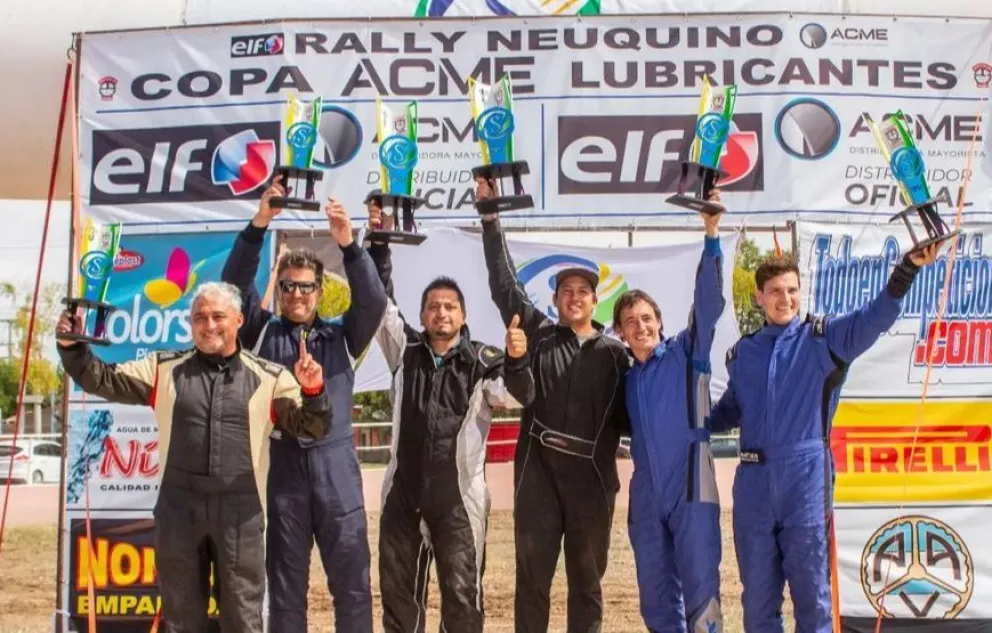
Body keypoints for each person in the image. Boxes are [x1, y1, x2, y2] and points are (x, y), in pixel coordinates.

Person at [56, 282, 330, 633]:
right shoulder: (163, 368)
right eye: (199, 317)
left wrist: (314, 390)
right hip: (178, 510)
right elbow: (102, 379)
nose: (209, 324)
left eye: (218, 316)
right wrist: (72, 348)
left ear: (239, 320)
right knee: (182, 620)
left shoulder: (271, 377)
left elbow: (312, 427)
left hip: (241, 514)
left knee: (242, 620)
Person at [708, 243, 941, 632]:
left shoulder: (825, 339)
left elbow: (874, 317)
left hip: (804, 481)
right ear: (759, 296)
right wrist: (683, 423)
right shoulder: (743, 353)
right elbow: (729, 410)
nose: (786, 298)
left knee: (812, 596)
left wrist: (907, 270)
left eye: (792, 290)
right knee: (757, 601)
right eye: (777, 291)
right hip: (752, 486)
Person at [220, 175, 385, 633]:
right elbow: (234, 286)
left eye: (305, 287)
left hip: (337, 469)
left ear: (318, 291)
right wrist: (259, 223)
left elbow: (372, 300)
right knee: (287, 590)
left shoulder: (343, 336)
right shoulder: (262, 331)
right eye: (288, 286)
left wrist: (350, 246)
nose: (296, 294)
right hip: (284, 469)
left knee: (352, 585)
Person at [366, 201, 535, 633]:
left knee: (462, 606)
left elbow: (517, 396)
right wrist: (378, 241)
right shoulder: (405, 350)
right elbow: (380, 301)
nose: (441, 312)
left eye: (450, 306)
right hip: (401, 497)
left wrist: (517, 358)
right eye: (433, 306)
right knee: (401, 607)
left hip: (460, 500)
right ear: (422, 315)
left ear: (462, 315)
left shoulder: (483, 360)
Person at [476, 177, 630, 633]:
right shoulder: (539, 334)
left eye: (583, 291)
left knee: (587, 585)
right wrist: (490, 220)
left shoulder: (615, 354)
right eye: (566, 290)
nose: (575, 297)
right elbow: (503, 284)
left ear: (594, 300)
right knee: (532, 583)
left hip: (592, 481)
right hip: (537, 476)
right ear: (556, 298)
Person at [614, 191, 727, 633]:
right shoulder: (626, 378)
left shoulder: (687, 353)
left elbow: (710, 303)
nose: (640, 327)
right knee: (655, 597)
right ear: (622, 335)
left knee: (701, 592)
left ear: (659, 322)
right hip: (646, 494)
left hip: (692, 485)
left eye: (646, 318)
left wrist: (711, 235)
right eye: (630, 323)